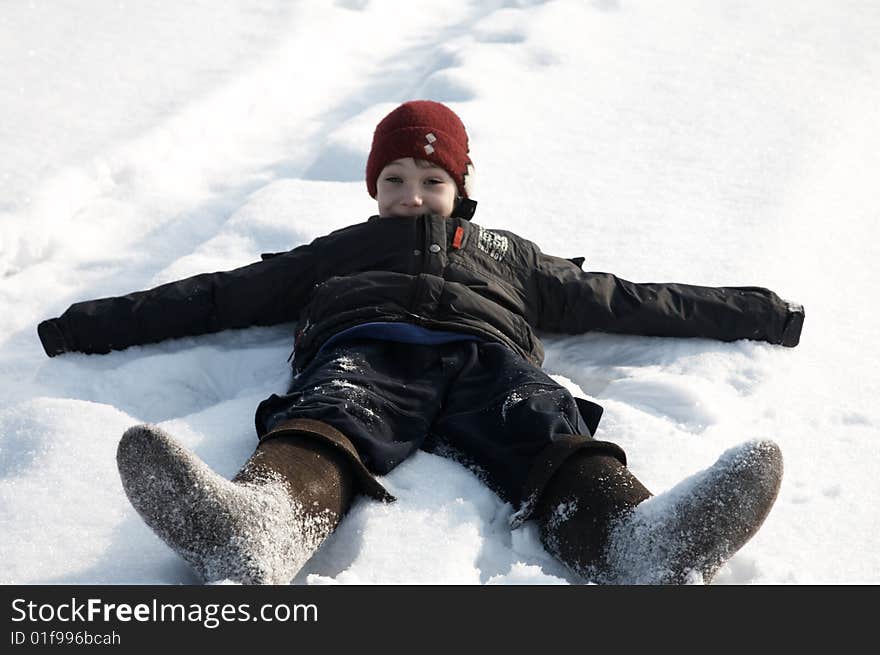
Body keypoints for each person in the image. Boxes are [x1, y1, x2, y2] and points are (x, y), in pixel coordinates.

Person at [37, 100, 804, 585]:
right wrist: (85, 324)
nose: (411, 194)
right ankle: (260, 523)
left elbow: (628, 299)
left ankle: (635, 540)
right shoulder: (340, 248)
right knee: (330, 416)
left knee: (545, 424)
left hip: (487, 356)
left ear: (460, 188)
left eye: (430, 179)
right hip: (367, 348)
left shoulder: (509, 254)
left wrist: (761, 312)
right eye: (393, 179)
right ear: (373, 189)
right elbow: (219, 294)